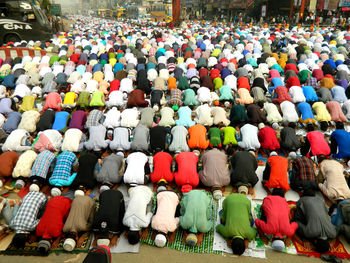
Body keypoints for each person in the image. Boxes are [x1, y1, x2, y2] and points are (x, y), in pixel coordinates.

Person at [292, 189, 336, 253]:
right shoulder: (321, 200)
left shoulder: (332, 233)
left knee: (296, 218)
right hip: (312, 228)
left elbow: (295, 223)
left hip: (313, 228)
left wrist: (304, 239)